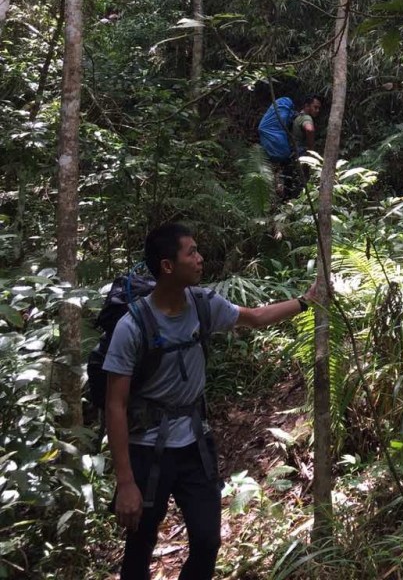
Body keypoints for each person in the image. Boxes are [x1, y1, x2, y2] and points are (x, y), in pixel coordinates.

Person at [103, 222, 320, 580]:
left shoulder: (203, 304)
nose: (200, 258)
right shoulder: (133, 326)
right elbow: (115, 405)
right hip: (147, 451)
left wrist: (304, 302)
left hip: (194, 444)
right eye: (191, 252)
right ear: (167, 266)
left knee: (206, 540)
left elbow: (254, 318)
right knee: (139, 546)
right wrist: (126, 482)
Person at [281, 93, 323, 199]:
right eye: (315, 107)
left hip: (291, 153)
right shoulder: (306, 118)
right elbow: (309, 129)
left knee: (290, 183)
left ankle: (287, 206)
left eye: (319, 108)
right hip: (301, 154)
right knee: (302, 183)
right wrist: (311, 150)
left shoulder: (297, 117)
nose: (317, 110)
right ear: (307, 106)